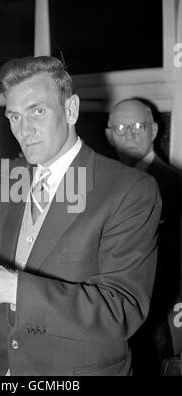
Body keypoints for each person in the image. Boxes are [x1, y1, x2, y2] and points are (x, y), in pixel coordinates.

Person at [0, 56, 162, 376]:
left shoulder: (130, 189)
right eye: (14, 116)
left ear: (71, 110)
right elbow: (1, 290)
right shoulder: (8, 182)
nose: (24, 130)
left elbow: (120, 310)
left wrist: (10, 288)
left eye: (38, 110)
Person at [105, 99, 182, 375]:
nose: (129, 133)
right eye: (121, 127)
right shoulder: (101, 185)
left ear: (154, 131)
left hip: (158, 318)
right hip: (109, 317)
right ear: (109, 135)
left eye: (138, 126)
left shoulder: (176, 185)